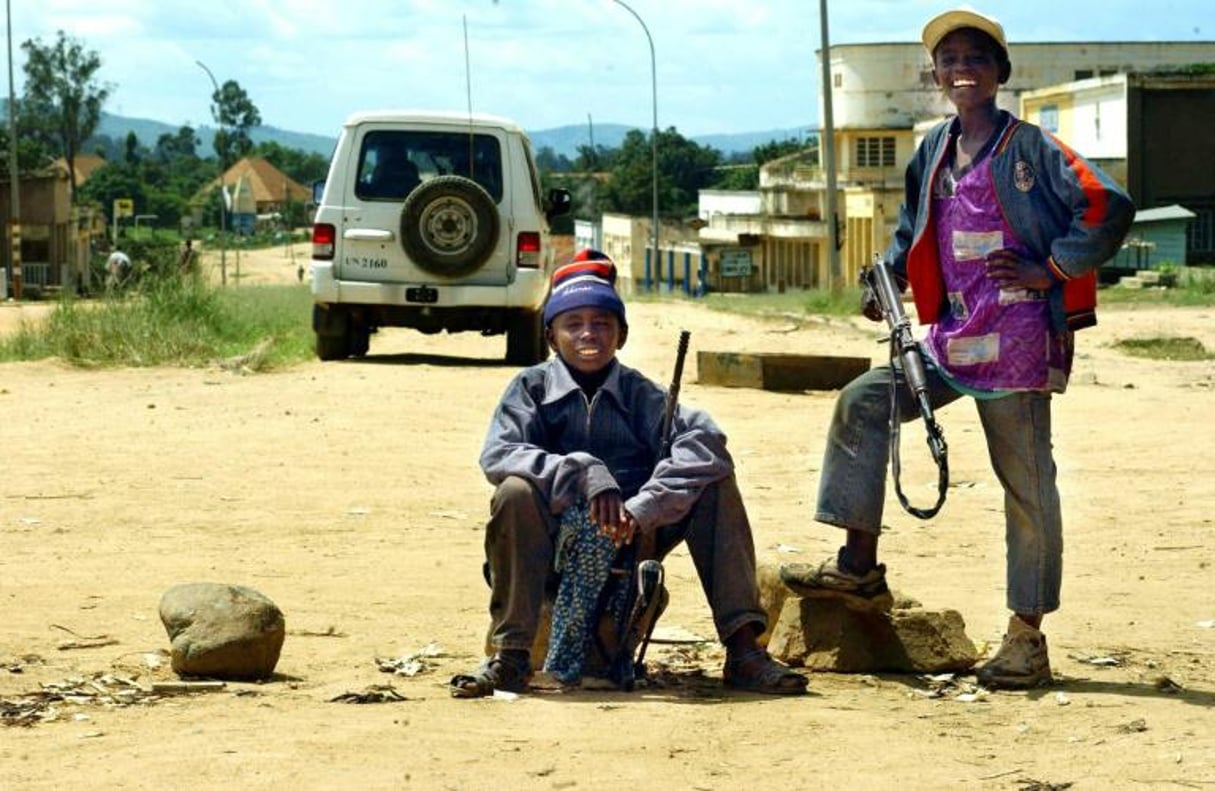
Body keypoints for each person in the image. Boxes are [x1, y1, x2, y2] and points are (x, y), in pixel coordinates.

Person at [780, 8, 1134, 690]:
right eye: (949, 60)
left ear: (999, 73)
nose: (961, 69)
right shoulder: (933, 150)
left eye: (975, 57)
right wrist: (883, 279)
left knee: (1027, 489)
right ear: (935, 76)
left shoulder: (1031, 148)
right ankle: (858, 565)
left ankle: (1025, 638)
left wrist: (1051, 268)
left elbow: (1105, 204)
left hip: (1019, 344)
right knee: (862, 403)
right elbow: (910, 228)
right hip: (948, 340)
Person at [450, 249, 807, 698]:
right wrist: (582, 470)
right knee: (515, 492)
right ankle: (511, 657)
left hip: (633, 537)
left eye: (602, 323)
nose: (588, 334)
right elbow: (499, 455)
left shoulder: (642, 394)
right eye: (573, 323)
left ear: (621, 335)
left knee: (714, 482)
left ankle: (743, 651)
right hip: (552, 545)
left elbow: (707, 444)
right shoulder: (530, 389)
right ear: (550, 336)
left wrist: (643, 506)